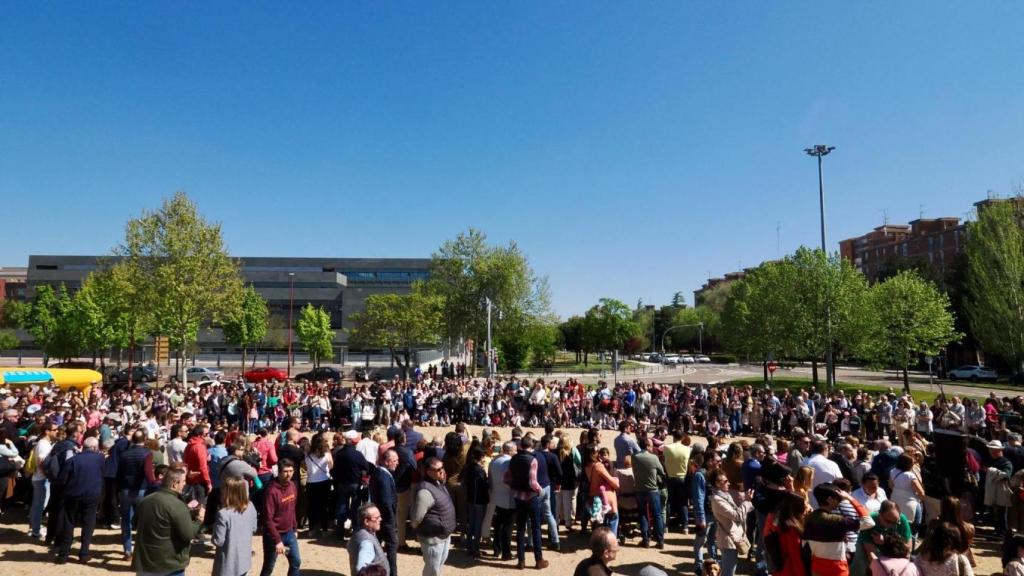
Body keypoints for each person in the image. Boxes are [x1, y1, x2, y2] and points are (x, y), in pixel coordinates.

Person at [133, 467, 205, 576]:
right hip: (168, 565)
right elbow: (188, 534)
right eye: (183, 481)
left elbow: (135, 522)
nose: (184, 485)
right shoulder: (177, 505)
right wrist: (199, 520)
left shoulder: (145, 501)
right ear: (174, 484)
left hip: (145, 563)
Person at [804, 483, 874, 576]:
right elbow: (869, 522)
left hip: (816, 567)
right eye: (838, 498)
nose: (840, 501)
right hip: (837, 568)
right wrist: (851, 498)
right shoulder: (837, 520)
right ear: (829, 499)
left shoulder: (808, 518)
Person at [56, 436, 105, 564]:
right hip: (92, 495)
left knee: (69, 522)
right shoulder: (100, 459)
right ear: (95, 447)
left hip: (73, 494)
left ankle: (63, 554)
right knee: (88, 523)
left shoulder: (73, 460)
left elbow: (62, 479)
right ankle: (84, 553)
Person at [506, 436, 550, 570]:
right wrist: (539, 490)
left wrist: (512, 488)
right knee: (536, 527)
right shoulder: (533, 460)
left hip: (518, 497)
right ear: (531, 446)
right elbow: (532, 482)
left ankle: (521, 561)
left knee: (520, 528)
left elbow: (506, 478)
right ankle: (538, 560)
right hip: (530, 497)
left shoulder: (513, 458)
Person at [411, 456, 456, 576]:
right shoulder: (424, 491)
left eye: (442, 467)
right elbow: (417, 517)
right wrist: (416, 527)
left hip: (443, 535)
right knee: (432, 570)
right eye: (438, 470)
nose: (442, 471)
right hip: (433, 538)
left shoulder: (438, 483)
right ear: (429, 472)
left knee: (438, 567)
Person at [850, 500, 912, 576]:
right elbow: (870, 553)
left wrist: (903, 571)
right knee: (860, 558)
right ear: (879, 514)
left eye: (895, 522)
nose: (892, 525)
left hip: (890, 548)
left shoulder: (902, 520)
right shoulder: (869, 521)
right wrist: (883, 572)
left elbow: (907, 549)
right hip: (871, 547)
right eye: (888, 522)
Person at [261, 458, 301, 576]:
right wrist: (277, 540)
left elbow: (292, 509)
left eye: (291, 471)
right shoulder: (272, 491)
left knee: (296, 562)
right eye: (285, 471)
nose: (288, 474)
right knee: (269, 566)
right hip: (273, 536)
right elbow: (267, 518)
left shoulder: (293, 486)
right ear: (279, 472)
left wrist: (294, 528)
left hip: (289, 532)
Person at [212, 476, 258, 576]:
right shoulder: (250, 506)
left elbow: (218, 541)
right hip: (244, 561)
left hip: (227, 565)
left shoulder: (223, 514)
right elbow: (253, 528)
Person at [709, 469, 751, 576]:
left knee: (729, 570)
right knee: (728, 572)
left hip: (731, 538)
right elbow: (737, 516)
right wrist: (747, 501)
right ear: (717, 483)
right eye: (726, 481)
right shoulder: (718, 499)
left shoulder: (724, 496)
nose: (729, 483)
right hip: (728, 540)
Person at [632, 436, 667, 548]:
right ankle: (660, 540)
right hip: (652, 490)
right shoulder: (654, 458)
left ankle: (646, 539)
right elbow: (662, 472)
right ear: (647, 446)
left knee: (642, 514)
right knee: (657, 515)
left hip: (639, 489)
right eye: (651, 445)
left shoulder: (634, 457)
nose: (652, 447)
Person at [764, 492, 808, 576]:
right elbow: (796, 557)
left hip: (779, 567)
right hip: (790, 570)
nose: (806, 508)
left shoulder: (773, 519)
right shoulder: (791, 529)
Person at [371, 449, 400, 576]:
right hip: (385, 518)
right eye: (395, 461)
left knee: (378, 544)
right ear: (387, 462)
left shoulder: (380, 472)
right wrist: (391, 520)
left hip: (380, 517)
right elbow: (386, 502)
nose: (397, 463)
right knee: (392, 544)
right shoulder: (383, 476)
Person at [693, 451, 721, 576]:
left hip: (715, 513)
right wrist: (701, 518)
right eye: (718, 461)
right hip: (706, 514)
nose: (720, 463)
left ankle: (713, 565)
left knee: (713, 541)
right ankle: (699, 566)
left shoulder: (715, 474)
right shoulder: (700, 475)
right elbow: (699, 498)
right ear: (710, 461)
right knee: (700, 541)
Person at [28, 422, 56, 540]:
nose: (57, 431)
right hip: (42, 479)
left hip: (40, 478)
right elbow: (41, 462)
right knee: (40, 505)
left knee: (38, 505)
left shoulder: (44, 443)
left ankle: (35, 527)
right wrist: (47, 476)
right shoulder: (43, 444)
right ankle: (35, 530)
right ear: (47, 431)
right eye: (54, 429)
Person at [490, 440, 517, 561]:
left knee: (498, 524)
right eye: (515, 450)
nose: (516, 452)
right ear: (510, 451)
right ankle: (506, 553)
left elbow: (490, 478)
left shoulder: (494, 460)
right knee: (507, 526)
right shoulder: (509, 462)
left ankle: (497, 549)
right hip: (508, 497)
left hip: (497, 496)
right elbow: (508, 481)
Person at [347, 503, 389, 576]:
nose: (380, 519)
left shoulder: (359, 531)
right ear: (366, 521)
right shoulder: (366, 543)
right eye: (377, 518)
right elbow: (361, 568)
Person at [462, 446, 489, 557]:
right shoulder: (479, 471)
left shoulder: (469, 467)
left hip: (470, 498)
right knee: (477, 525)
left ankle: (469, 547)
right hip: (479, 500)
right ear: (481, 457)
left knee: (471, 523)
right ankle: (475, 549)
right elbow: (484, 486)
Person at [305, 432, 333, 537]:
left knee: (312, 506)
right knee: (324, 506)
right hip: (324, 481)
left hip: (311, 482)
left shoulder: (308, 455)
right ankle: (324, 529)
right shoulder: (327, 454)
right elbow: (331, 466)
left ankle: (311, 529)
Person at [889, 454, 925, 537]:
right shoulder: (910, 475)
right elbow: (921, 493)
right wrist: (920, 498)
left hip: (895, 500)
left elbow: (890, 485)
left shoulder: (893, 471)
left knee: (897, 525)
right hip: (911, 504)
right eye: (912, 463)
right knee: (913, 528)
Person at [663, 430, 692, 533]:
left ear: (673, 437)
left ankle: (666, 525)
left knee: (669, 501)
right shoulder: (687, 449)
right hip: (682, 477)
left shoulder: (667, 448)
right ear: (683, 438)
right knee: (683, 502)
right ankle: (685, 526)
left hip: (670, 477)